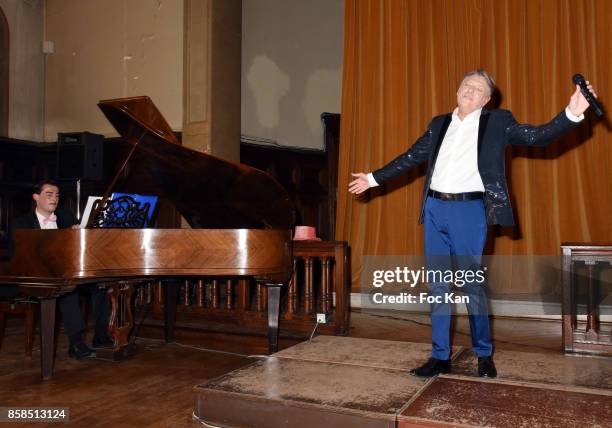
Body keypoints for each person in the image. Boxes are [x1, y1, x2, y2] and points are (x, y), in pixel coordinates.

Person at [349, 70, 597, 378]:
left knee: (471, 284)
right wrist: (373, 178)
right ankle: (440, 356)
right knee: (438, 286)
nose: (470, 89)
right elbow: (411, 156)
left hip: (469, 211)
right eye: (467, 84)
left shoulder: (498, 122)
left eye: (478, 88)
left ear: (486, 100)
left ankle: (483, 354)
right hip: (435, 209)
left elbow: (537, 136)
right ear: (457, 90)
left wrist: (572, 113)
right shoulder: (439, 124)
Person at [10, 179, 113, 358]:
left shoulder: (66, 217)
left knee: (101, 286)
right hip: (35, 275)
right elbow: (17, 255)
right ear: (36, 197)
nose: (54, 198)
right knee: (68, 289)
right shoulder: (22, 223)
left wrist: (75, 236)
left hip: (65, 271)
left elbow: (79, 250)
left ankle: (101, 336)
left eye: (57, 195)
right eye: (49, 194)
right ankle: (76, 343)